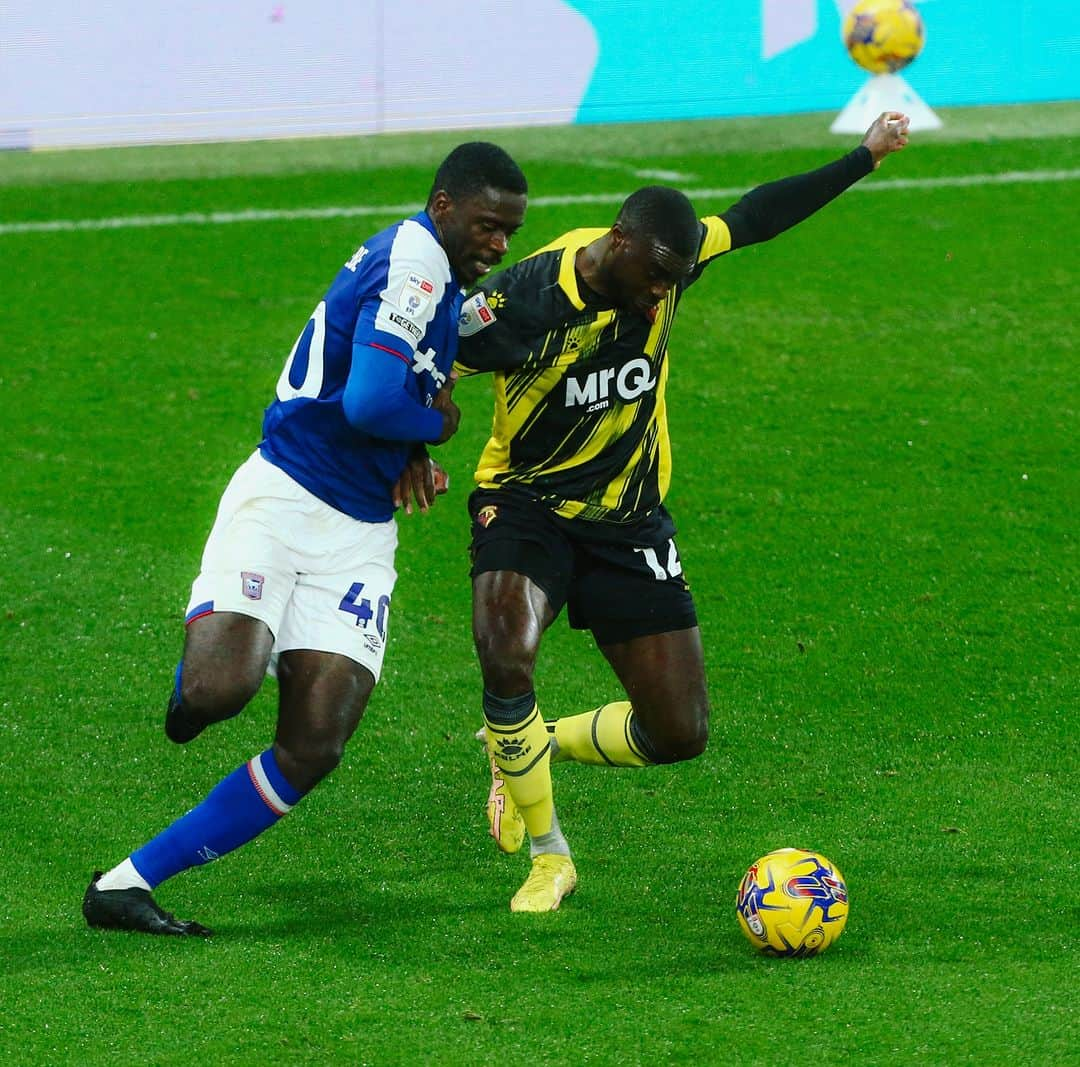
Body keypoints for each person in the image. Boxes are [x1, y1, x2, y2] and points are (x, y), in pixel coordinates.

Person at [454, 113, 911, 911]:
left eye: (677, 276)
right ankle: (550, 856)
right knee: (505, 654)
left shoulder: (670, 259)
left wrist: (862, 158)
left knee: (679, 734)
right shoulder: (523, 298)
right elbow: (428, 364)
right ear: (620, 245)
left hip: (630, 517)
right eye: (657, 276)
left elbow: (757, 215)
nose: (667, 290)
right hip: (525, 500)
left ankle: (524, 746)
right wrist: (416, 445)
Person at [82, 142, 528, 936]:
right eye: (489, 225)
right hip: (285, 497)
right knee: (223, 690)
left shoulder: (436, 272)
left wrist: (409, 449)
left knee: (316, 741)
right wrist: (440, 425)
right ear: (444, 205)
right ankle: (192, 692)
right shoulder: (416, 264)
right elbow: (366, 404)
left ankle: (124, 883)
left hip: (360, 536)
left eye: (510, 232)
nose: (498, 244)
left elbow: (392, 379)